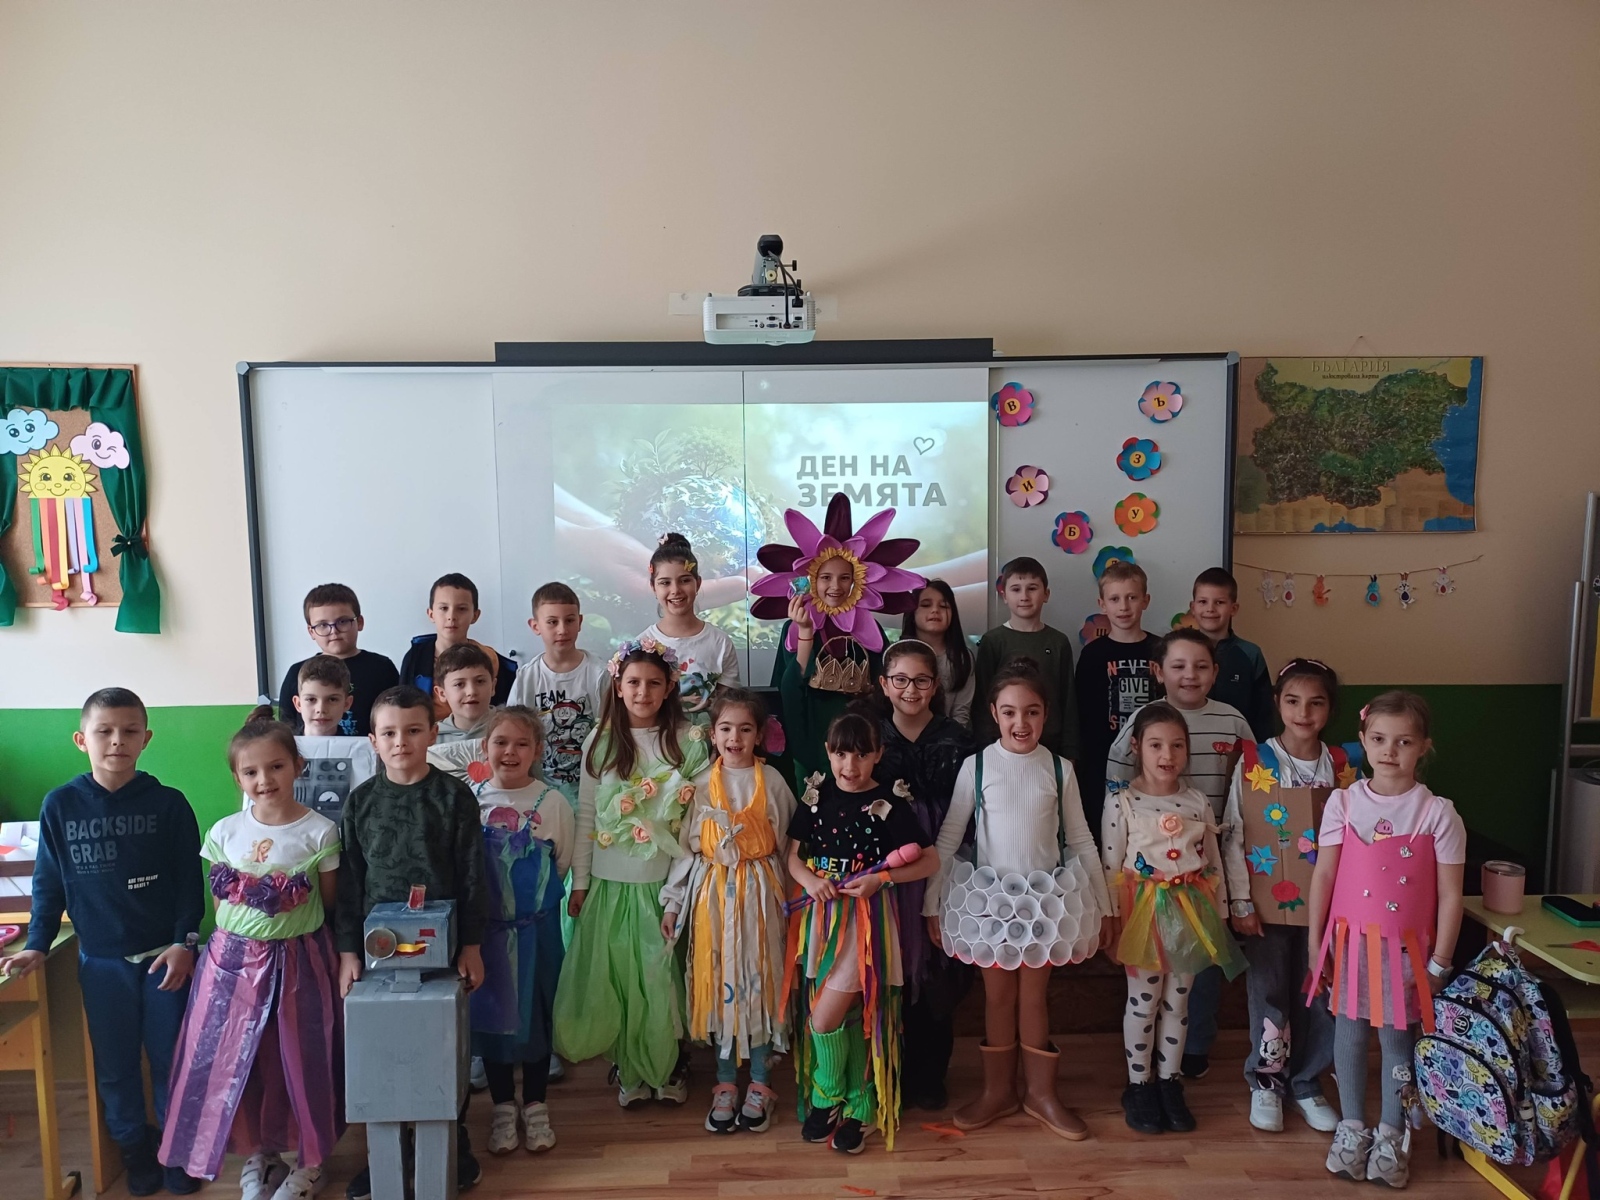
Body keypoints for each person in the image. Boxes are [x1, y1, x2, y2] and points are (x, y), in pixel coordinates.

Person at [0, 689, 204, 1197]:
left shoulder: (169, 803)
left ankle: (176, 1154)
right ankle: (135, 1152)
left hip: (165, 959)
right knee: (115, 1065)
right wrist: (37, 943)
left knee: (173, 1059)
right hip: (102, 963)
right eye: (104, 731)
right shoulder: (60, 805)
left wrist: (185, 942)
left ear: (146, 738)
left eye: (129, 731)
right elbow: (48, 883)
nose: (117, 741)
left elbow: (189, 884)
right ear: (81, 740)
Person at [160, 712, 344, 1200]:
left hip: (300, 964)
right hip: (230, 968)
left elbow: (330, 902)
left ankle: (311, 1160)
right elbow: (221, 907)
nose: (265, 780)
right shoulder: (224, 832)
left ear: (297, 766)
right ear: (237, 777)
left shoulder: (321, 832)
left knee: (300, 1061)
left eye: (276, 766)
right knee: (239, 1062)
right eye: (251, 771)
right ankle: (261, 1154)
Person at [926, 659, 1111, 1139]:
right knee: (998, 997)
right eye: (1009, 712)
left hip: (1044, 904)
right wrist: (931, 903)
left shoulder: (1059, 768)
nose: (1020, 722)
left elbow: (1081, 840)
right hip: (990, 904)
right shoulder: (977, 766)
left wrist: (1106, 906)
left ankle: (1041, 1094)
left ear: (1046, 714)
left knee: (1033, 998)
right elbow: (949, 838)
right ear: (994, 713)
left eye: (1031, 712)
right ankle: (998, 1091)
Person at [335, 685, 488, 1200]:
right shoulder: (360, 803)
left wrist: (471, 945)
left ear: (433, 734)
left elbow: (473, 876)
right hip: (377, 951)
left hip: (442, 950)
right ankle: (387, 1151)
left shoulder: (454, 798)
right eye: (390, 733)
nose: (401, 742)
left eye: (413, 730)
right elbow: (350, 881)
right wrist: (348, 951)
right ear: (373, 740)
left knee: (442, 1043)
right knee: (383, 1045)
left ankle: (451, 1141)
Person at [1308, 691, 1465, 1188]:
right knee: (1349, 1036)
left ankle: (1393, 1133)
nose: (1389, 751)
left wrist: (1439, 963)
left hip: (1405, 956)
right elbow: (1324, 876)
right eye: (1378, 739)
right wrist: (1315, 944)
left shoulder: (1437, 813)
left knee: (1398, 1042)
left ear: (1424, 747)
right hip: (1349, 947)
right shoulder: (1343, 802)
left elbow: (1451, 895)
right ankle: (1353, 1127)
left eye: (1403, 741)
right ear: (1362, 740)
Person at [552, 638, 713, 1108]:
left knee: (660, 979)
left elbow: (694, 825)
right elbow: (586, 814)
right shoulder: (600, 740)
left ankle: (667, 1063)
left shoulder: (688, 741)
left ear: (669, 688)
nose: (643, 692)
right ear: (618, 686)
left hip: (663, 884)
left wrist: (677, 892)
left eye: (654, 683)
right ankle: (631, 1066)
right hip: (610, 882)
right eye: (634, 682)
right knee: (620, 979)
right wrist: (581, 882)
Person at [786, 713, 940, 1155]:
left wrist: (882, 879)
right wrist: (810, 880)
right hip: (822, 921)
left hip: (864, 924)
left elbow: (929, 861)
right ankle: (860, 1104)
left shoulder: (889, 801)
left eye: (860, 755)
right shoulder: (816, 796)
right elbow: (792, 857)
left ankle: (826, 1095)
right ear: (828, 753)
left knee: (824, 1018)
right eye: (840, 754)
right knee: (849, 1015)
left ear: (878, 754)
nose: (849, 765)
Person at [1105, 627, 1255, 1079]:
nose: (1190, 674)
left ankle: (1180, 1067)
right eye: (1178, 665)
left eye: (1201, 665)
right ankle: (1141, 1081)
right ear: (1159, 671)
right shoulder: (1126, 787)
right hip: (1145, 895)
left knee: (1187, 988)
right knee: (1146, 997)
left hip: (1201, 880)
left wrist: (1226, 903)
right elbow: (1113, 842)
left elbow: (1250, 787)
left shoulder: (1231, 725)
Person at [1102, 702, 1246, 1137]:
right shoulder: (1122, 801)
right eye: (1156, 745)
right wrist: (1113, 923)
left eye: (1177, 745)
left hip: (1190, 917)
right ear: (1136, 747)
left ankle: (1169, 1081)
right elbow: (1109, 868)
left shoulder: (1197, 800)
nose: (1167, 755)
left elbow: (1213, 862)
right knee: (1143, 1002)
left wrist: (1221, 915)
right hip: (1142, 917)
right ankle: (1139, 1084)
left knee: (1178, 1002)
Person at [660, 688, 796, 1135]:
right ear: (712, 734)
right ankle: (724, 1082)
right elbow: (686, 850)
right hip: (712, 898)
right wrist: (673, 902)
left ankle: (759, 1082)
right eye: (725, 728)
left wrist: (793, 905)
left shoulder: (772, 781)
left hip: (760, 898)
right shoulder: (699, 784)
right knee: (718, 982)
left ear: (759, 735)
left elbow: (789, 847)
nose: (734, 738)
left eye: (745, 729)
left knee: (758, 984)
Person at [1221, 658, 1344, 1135]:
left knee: (1319, 992)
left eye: (1316, 703)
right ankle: (1267, 1080)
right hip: (1267, 905)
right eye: (1293, 701)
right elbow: (1235, 831)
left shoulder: (1342, 765)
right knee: (1269, 989)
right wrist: (1241, 900)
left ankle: (1307, 1082)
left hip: (1328, 908)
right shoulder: (1258, 761)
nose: (1303, 713)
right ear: (1277, 703)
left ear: (1330, 708)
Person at [867, 638, 974, 1110]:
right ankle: (887, 1071)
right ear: (884, 684)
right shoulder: (870, 736)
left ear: (936, 685)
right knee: (891, 961)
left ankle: (931, 1074)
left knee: (937, 967)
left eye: (922, 680)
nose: (911, 689)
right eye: (901, 679)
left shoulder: (958, 740)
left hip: (944, 861)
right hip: (885, 864)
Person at [468, 707, 573, 1156]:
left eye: (521, 744)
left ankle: (535, 1105)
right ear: (484, 747)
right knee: (493, 1022)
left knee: (536, 1019)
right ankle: (502, 1108)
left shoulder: (553, 802)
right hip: (487, 937)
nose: (510, 752)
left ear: (538, 751)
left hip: (537, 934)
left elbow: (561, 863)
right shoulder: (470, 800)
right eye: (500, 742)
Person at [1074, 560, 1163, 836]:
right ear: (1102, 604)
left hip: (1154, 761)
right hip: (1102, 764)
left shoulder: (1161, 650)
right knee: (1107, 834)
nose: (1124, 606)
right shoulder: (1092, 655)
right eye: (1115, 599)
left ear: (1146, 600)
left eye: (1132, 598)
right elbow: (1082, 714)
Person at [505, 581, 607, 811]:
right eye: (552, 622)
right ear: (535, 626)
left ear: (580, 622)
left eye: (569, 620)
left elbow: (609, 732)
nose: (562, 630)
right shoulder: (527, 677)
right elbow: (514, 731)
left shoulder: (599, 674)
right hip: (539, 789)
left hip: (591, 789)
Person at [972, 557, 1078, 759]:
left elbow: (1068, 701)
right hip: (1002, 746)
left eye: (1032, 588)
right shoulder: (992, 641)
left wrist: (1071, 751)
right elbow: (982, 700)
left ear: (1046, 594)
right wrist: (984, 747)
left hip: (1051, 746)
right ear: (1004, 596)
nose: (1024, 596)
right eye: (1016, 589)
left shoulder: (1058, 642)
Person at [275, 583, 399, 737]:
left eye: (343, 621)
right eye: (323, 625)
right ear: (311, 631)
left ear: (359, 622)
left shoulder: (382, 668)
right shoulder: (297, 672)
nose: (334, 631)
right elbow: (287, 729)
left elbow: (397, 719)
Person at [641, 532, 741, 717]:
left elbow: (728, 710)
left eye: (685, 580)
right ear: (653, 587)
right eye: (665, 583)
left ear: (698, 583)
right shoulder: (642, 644)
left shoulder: (720, 642)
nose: (675, 590)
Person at [399, 573, 517, 719]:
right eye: (444, 608)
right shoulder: (415, 658)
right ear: (431, 614)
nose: (451, 617)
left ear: (475, 615)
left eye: (461, 609)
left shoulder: (489, 658)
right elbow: (403, 709)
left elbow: (503, 710)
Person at [283, 655, 378, 823]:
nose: (321, 709)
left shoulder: (361, 752)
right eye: (311, 699)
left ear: (347, 704)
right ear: (298, 704)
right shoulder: (282, 751)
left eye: (332, 699)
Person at [1190, 568, 1273, 742]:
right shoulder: (1179, 651)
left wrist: (1259, 750)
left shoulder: (1250, 654)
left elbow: (1264, 713)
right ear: (1193, 607)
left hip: (1238, 747)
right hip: (1189, 745)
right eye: (1203, 601)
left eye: (1219, 602)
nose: (1210, 609)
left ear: (1233, 608)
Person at [900, 580, 976, 729]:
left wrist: (950, 739)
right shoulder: (898, 656)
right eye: (926, 605)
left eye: (944, 606)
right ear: (912, 612)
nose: (935, 610)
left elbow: (961, 712)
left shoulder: (962, 658)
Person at [434, 642, 496, 744]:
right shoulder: (431, 739)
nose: (471, 691)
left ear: (493, 686)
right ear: (442, 693)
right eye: (459, 684)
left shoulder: (512, 729)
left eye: (480, 681)